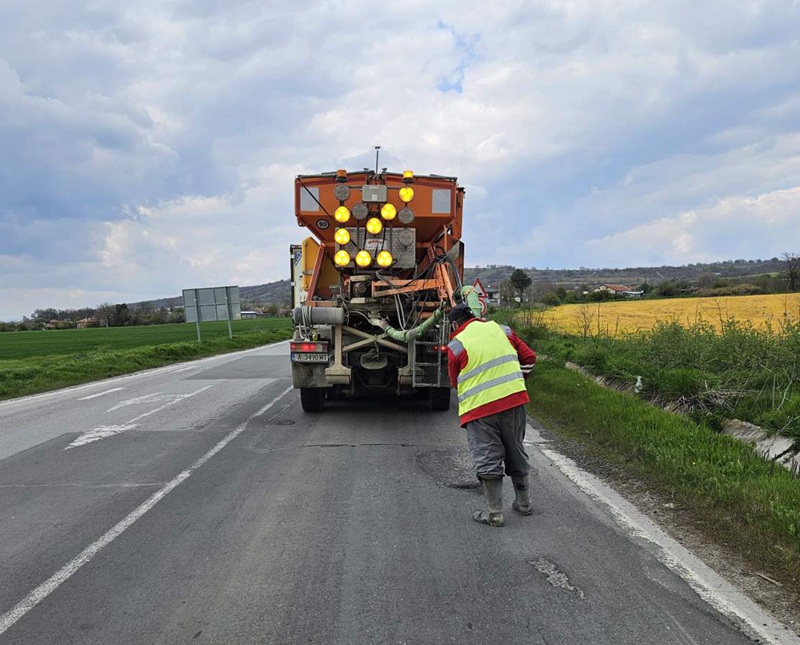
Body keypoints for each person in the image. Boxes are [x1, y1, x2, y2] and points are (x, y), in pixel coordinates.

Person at [446, 303, 537, 527]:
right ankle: (524, 504)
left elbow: (454, 382)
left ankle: (495, 514)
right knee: (516, 449)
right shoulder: (503, 330)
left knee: (487, 456)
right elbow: (529, 358)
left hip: (481, 410)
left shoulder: (456, 345)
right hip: (514, 401)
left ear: (456, 324)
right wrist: (514, 382)